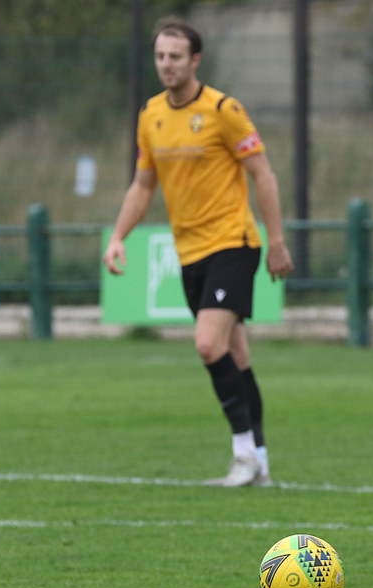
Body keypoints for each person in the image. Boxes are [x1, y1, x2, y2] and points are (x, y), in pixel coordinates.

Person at [102, 17, 293, 487]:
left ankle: (243, 456)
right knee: (236, 356)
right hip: (189, 252)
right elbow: (143, 184)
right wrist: (118, 236)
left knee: (208, 344)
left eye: (175, 56)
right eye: (159, 56)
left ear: (195, 60)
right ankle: (261, 462)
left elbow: (263, 174)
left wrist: (276, 241)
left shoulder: (223, 110)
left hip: (233, 243)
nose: (166, 64)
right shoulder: (150, 115)